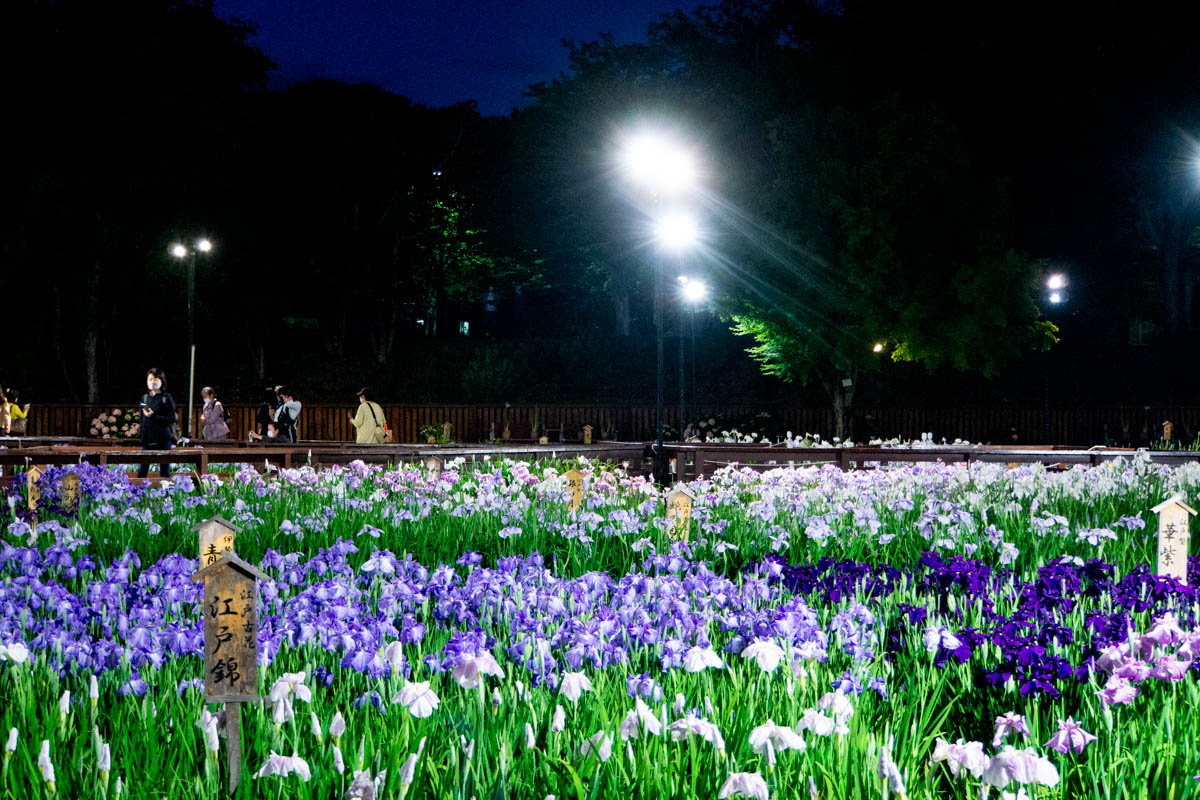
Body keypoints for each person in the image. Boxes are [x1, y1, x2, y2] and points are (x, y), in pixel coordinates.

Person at [138, 367, 176, 478]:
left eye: (155, 379)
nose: (152, 382)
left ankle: (166, 495)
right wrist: (141, 434)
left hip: (163, 439)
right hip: (147, 439)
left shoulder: (166, 398)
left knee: (164, 472)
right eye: (150, 379)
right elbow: (141, 418)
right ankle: (140, 493)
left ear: (161, 381)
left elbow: (171, 419)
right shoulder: (144, 398)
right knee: (142, 471)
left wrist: (154, 416)